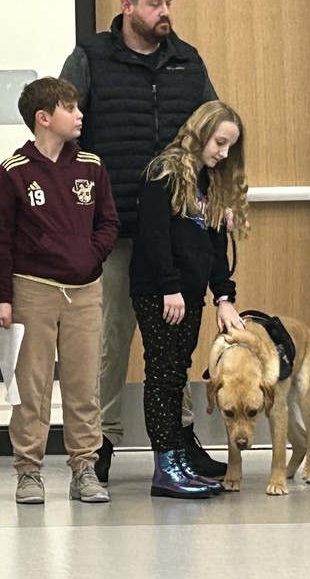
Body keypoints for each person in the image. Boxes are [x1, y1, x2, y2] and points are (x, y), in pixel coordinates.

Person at [60, 0, 226, 484]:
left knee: (174, 343)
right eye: (155, 4)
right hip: (113, 229)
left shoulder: (186, 60)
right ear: (127, 6)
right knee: (110, 338)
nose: (165, 14)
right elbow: (63, 131)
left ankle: (176, 436)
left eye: (169, 3)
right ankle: (100, 441)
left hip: (178, 228)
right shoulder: (91, 58)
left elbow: (212, 124)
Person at [0, 77, 120, 505]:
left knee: (84, 385)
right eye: (69, 108)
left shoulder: (92, 166)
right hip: (33, 290)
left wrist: (90, 254)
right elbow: (0, 238)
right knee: (32, 386)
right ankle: (29, 471)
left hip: (84, 291)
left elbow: (109, 223)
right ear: (43, 119)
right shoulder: (14, 172)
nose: (79, 115)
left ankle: (85, 466)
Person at [129, 100, 249, 498]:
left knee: (176, 375)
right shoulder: (164, 172)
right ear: (200, 132)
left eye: (230, 147)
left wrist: (224, 296)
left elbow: (214, 245)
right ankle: (165, 467)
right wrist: (168, 286)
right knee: (163, 377)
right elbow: (153, 236)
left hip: (190, 294)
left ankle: (178, 459)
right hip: (161, 292)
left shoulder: (207, 181)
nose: (223, 153)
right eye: (219, 142)